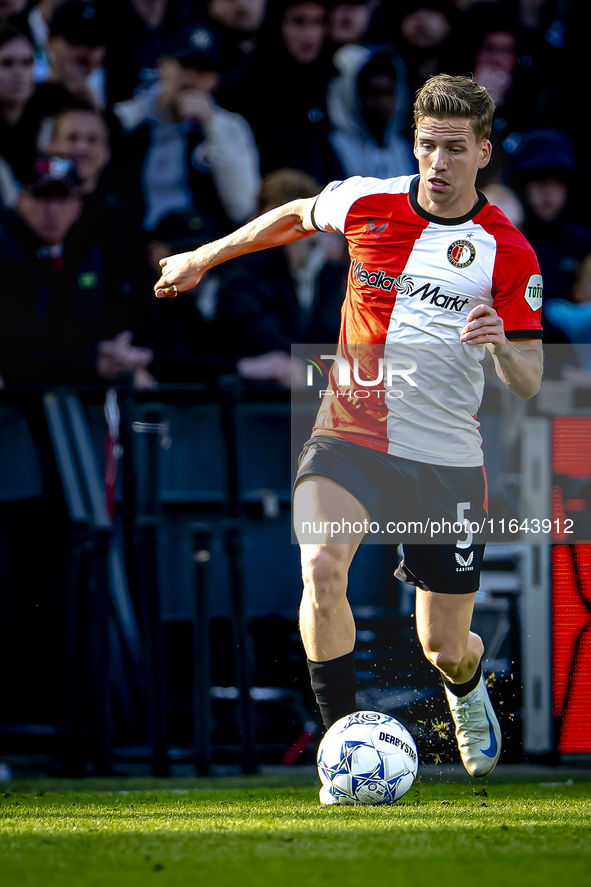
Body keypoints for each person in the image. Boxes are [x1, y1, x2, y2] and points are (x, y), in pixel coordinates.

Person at [153, 74, 544, 793]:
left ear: (482, 152)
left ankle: (465, 684)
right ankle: (340, 753)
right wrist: (203, 256)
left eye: (454, 149)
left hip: (444, 458)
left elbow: (528, 375)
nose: (437, 161)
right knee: (322, 568)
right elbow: (292, 216)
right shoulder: (366, 198)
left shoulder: (506, 251)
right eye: (427, 145)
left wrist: (499, 345)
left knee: (442, 644)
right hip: (349, 430)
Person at [0, 155, 154, 387]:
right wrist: (93, 364)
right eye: (42, 198)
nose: (52, 210)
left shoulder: (93, 251)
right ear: (20, 200)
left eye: (62, 199)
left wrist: (124, 355)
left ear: (78, 205)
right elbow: (13, 352)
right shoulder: (6, 253)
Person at [111, 21, 260, 233]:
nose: (193, 77)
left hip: (201, 244)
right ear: (163, 67)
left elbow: (243, 207)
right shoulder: (127, 119)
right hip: (135, 241)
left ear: (216, 80)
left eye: (204, 70)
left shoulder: (230, 127)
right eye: (185, 65)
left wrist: (212, 127)